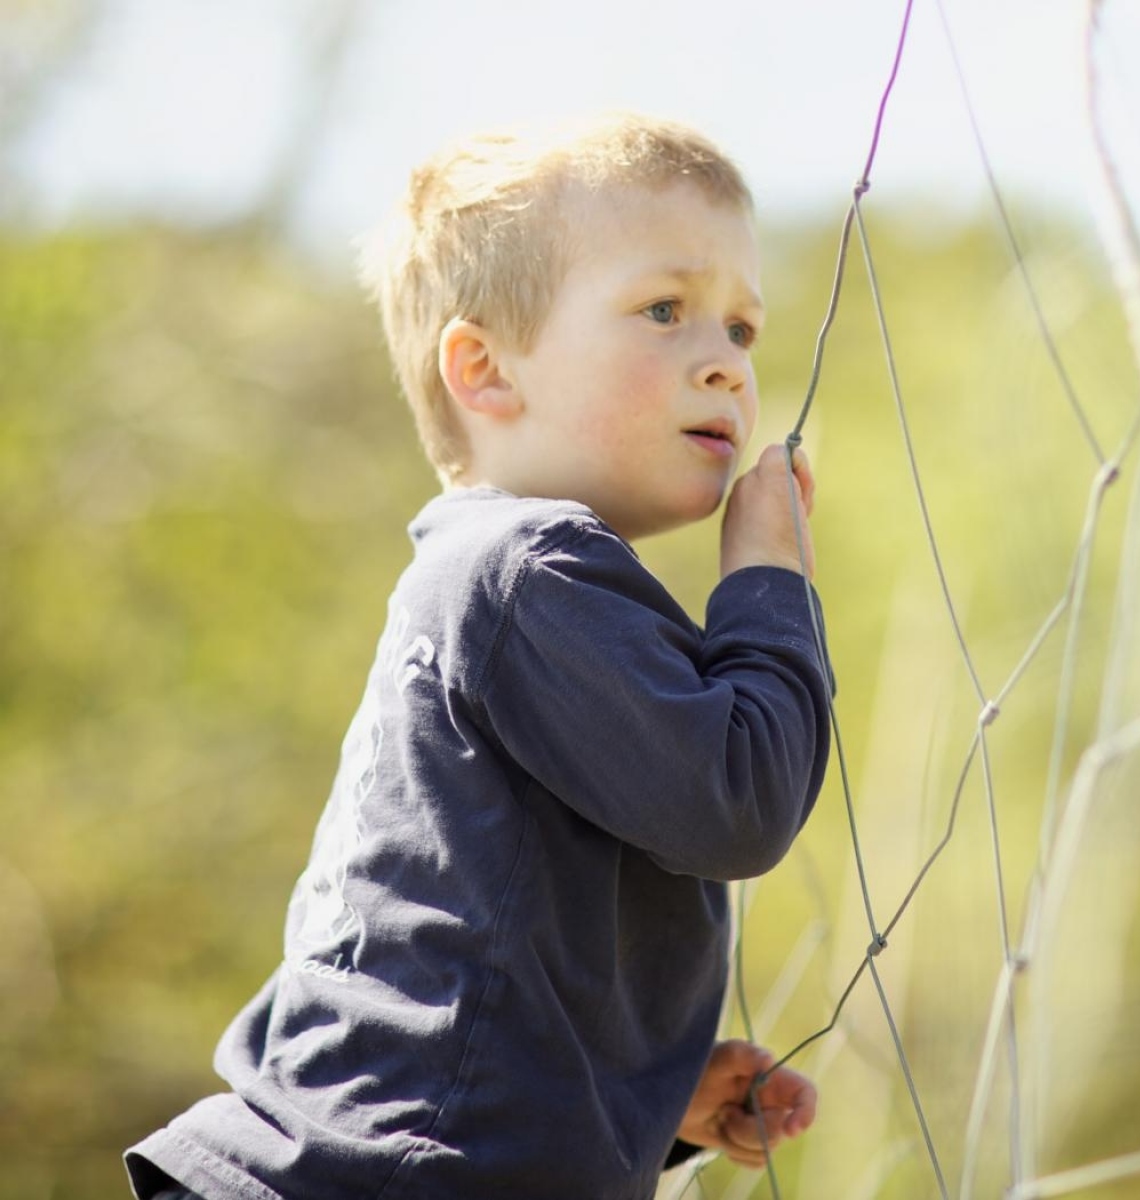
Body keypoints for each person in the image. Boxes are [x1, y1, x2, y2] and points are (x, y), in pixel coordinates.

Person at [124, 112, 833, 1199]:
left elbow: (465, 943)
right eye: (664, 310)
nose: (726, 368)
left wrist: (635, 1097)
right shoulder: (523, 568)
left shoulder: (508, 582)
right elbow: (737, 802)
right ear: (486, 369)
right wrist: (770, 582)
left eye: (742, 331)